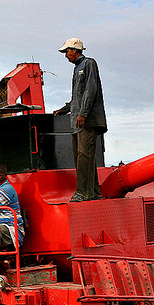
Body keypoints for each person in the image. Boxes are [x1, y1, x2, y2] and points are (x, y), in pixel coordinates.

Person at [53, 37, 107, 202]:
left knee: (84, 157)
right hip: (78, 122)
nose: (65, 55)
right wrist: (64, 110)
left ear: (75, 50)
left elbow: (90, 91)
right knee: (82, 158)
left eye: (67, 51)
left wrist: (82, 114)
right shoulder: (77, 69)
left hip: (87, 121)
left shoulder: (89, 64)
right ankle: (93, 191)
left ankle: (84, 193)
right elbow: (77, 97)